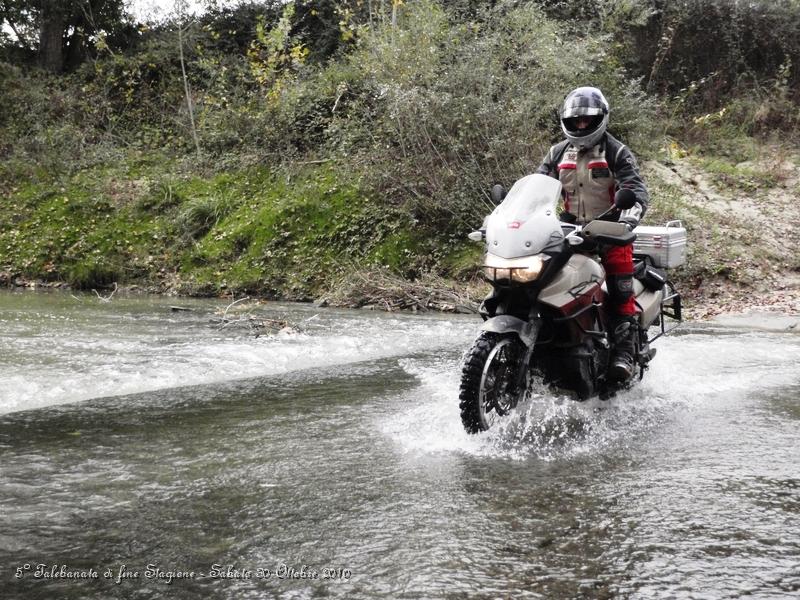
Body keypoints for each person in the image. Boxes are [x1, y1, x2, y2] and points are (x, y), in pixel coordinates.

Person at [535, 86, 649, 381]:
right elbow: (536, 187)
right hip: (567, 228)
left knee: (620, 288)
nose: (582, 125)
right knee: (540, 281)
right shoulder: (557, 152)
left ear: (601, 118)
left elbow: (634, 189)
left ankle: (624, 352)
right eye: (577, 121)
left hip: (608, 229)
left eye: (588, 120)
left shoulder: (616, 151)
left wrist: (629, 216)